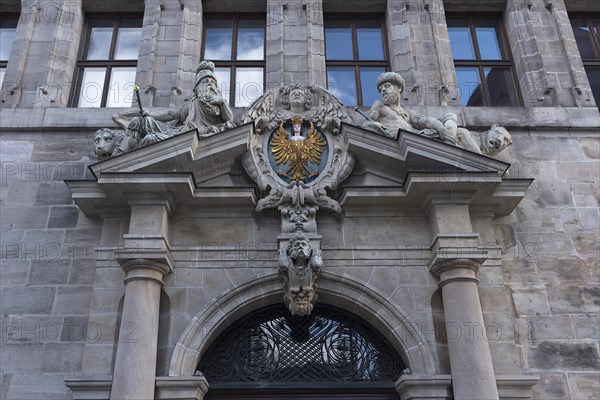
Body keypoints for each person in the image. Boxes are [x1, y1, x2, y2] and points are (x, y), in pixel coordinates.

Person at [112, 60, 235, 141]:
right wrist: (150, 114)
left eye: (212, 82)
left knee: (150, 139)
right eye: (205, 82)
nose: (209, 84)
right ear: (197, 88)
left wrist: (221, 102)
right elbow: (171, 114)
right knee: (141, 122)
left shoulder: (219, 102)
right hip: (182, 134)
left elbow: (228, 119)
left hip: (197, 137)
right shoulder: (192, 103)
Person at [362, 72, 456, 144]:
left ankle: (451, 146)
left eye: (387, 86)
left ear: (398, 88)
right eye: (381, 88)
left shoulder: (408, 112)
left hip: (418, 138)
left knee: (452, 120)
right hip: (399, 144)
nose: (383, 90)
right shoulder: (379, 105)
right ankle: (451, 145)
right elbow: (367, 124)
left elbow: (427, 121)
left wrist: (441, 129)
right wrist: (377, 126)